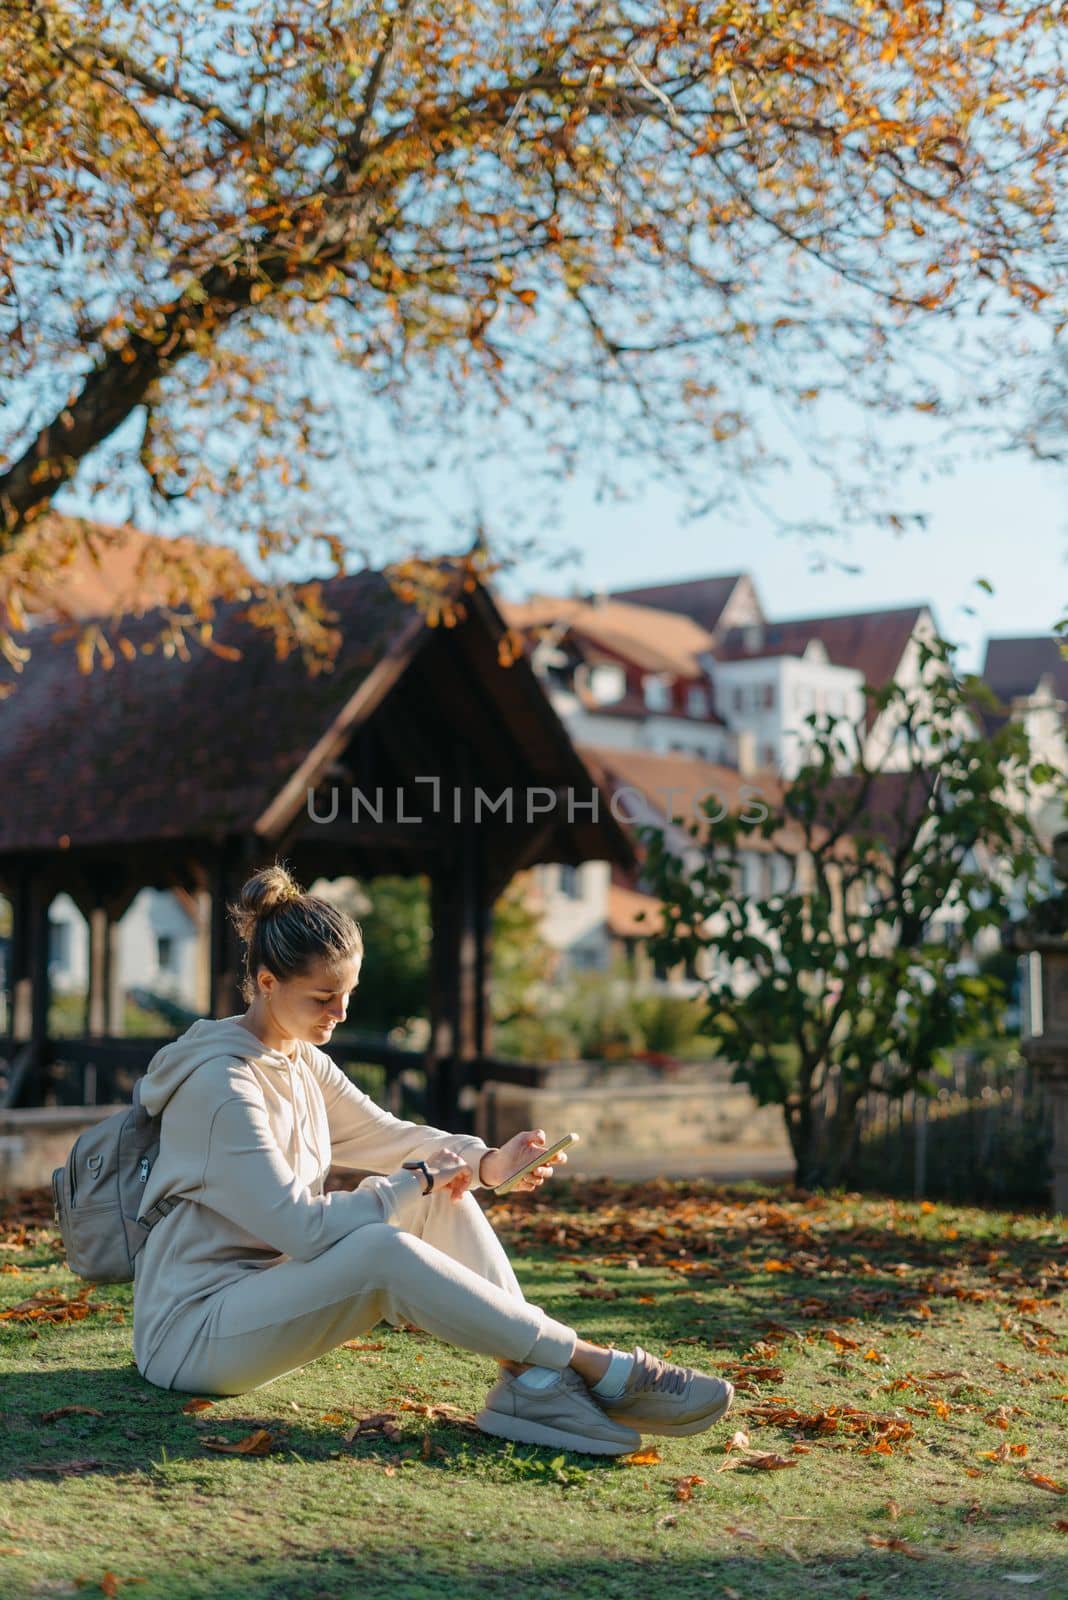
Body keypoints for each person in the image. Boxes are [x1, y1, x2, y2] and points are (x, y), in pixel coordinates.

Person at [132, 865, 734, 1456]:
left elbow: (389, 1135)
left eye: (347, 995)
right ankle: (594, 1365)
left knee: (439, 1198)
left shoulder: (297, 1057)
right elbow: (302, 1229)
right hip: (191, 1333)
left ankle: (535, 1383)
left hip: (261, 1298)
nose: (340, 1013)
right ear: (266, 982)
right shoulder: (222, 1085)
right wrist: (408, 1183)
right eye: (323, 997)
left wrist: (490, 1164)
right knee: (384, 1244)